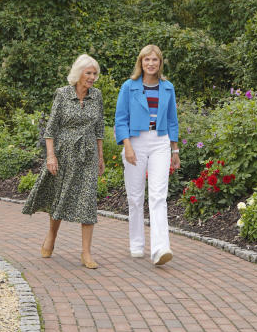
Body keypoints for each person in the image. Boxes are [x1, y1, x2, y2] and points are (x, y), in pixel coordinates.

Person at [22, 54, 105, 269]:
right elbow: (51, 128)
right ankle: (51, 236)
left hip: (87, 154)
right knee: (60, 197)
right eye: (89, 73)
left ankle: (86, 252)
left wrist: (101, 157)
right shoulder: (62, 94)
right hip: (64, 152)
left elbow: (99, 129)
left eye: (95, 73)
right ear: (78, 73)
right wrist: (51, 156)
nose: (92, 77)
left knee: (88, 201)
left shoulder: (97, 96)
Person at [114, 45, 181, 266]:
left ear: (160, 63)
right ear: (140, 63)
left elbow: (172, 120)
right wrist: (127, 145)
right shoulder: (129, 87)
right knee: (135, 197)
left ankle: (161, 248)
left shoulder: (167, 87)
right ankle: (136, 243)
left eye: (155, 60)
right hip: (135, 141)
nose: (151, 63)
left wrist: (175, 150)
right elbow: (120, 119)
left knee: (158, 196)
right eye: (146, 60)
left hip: (160, 141)